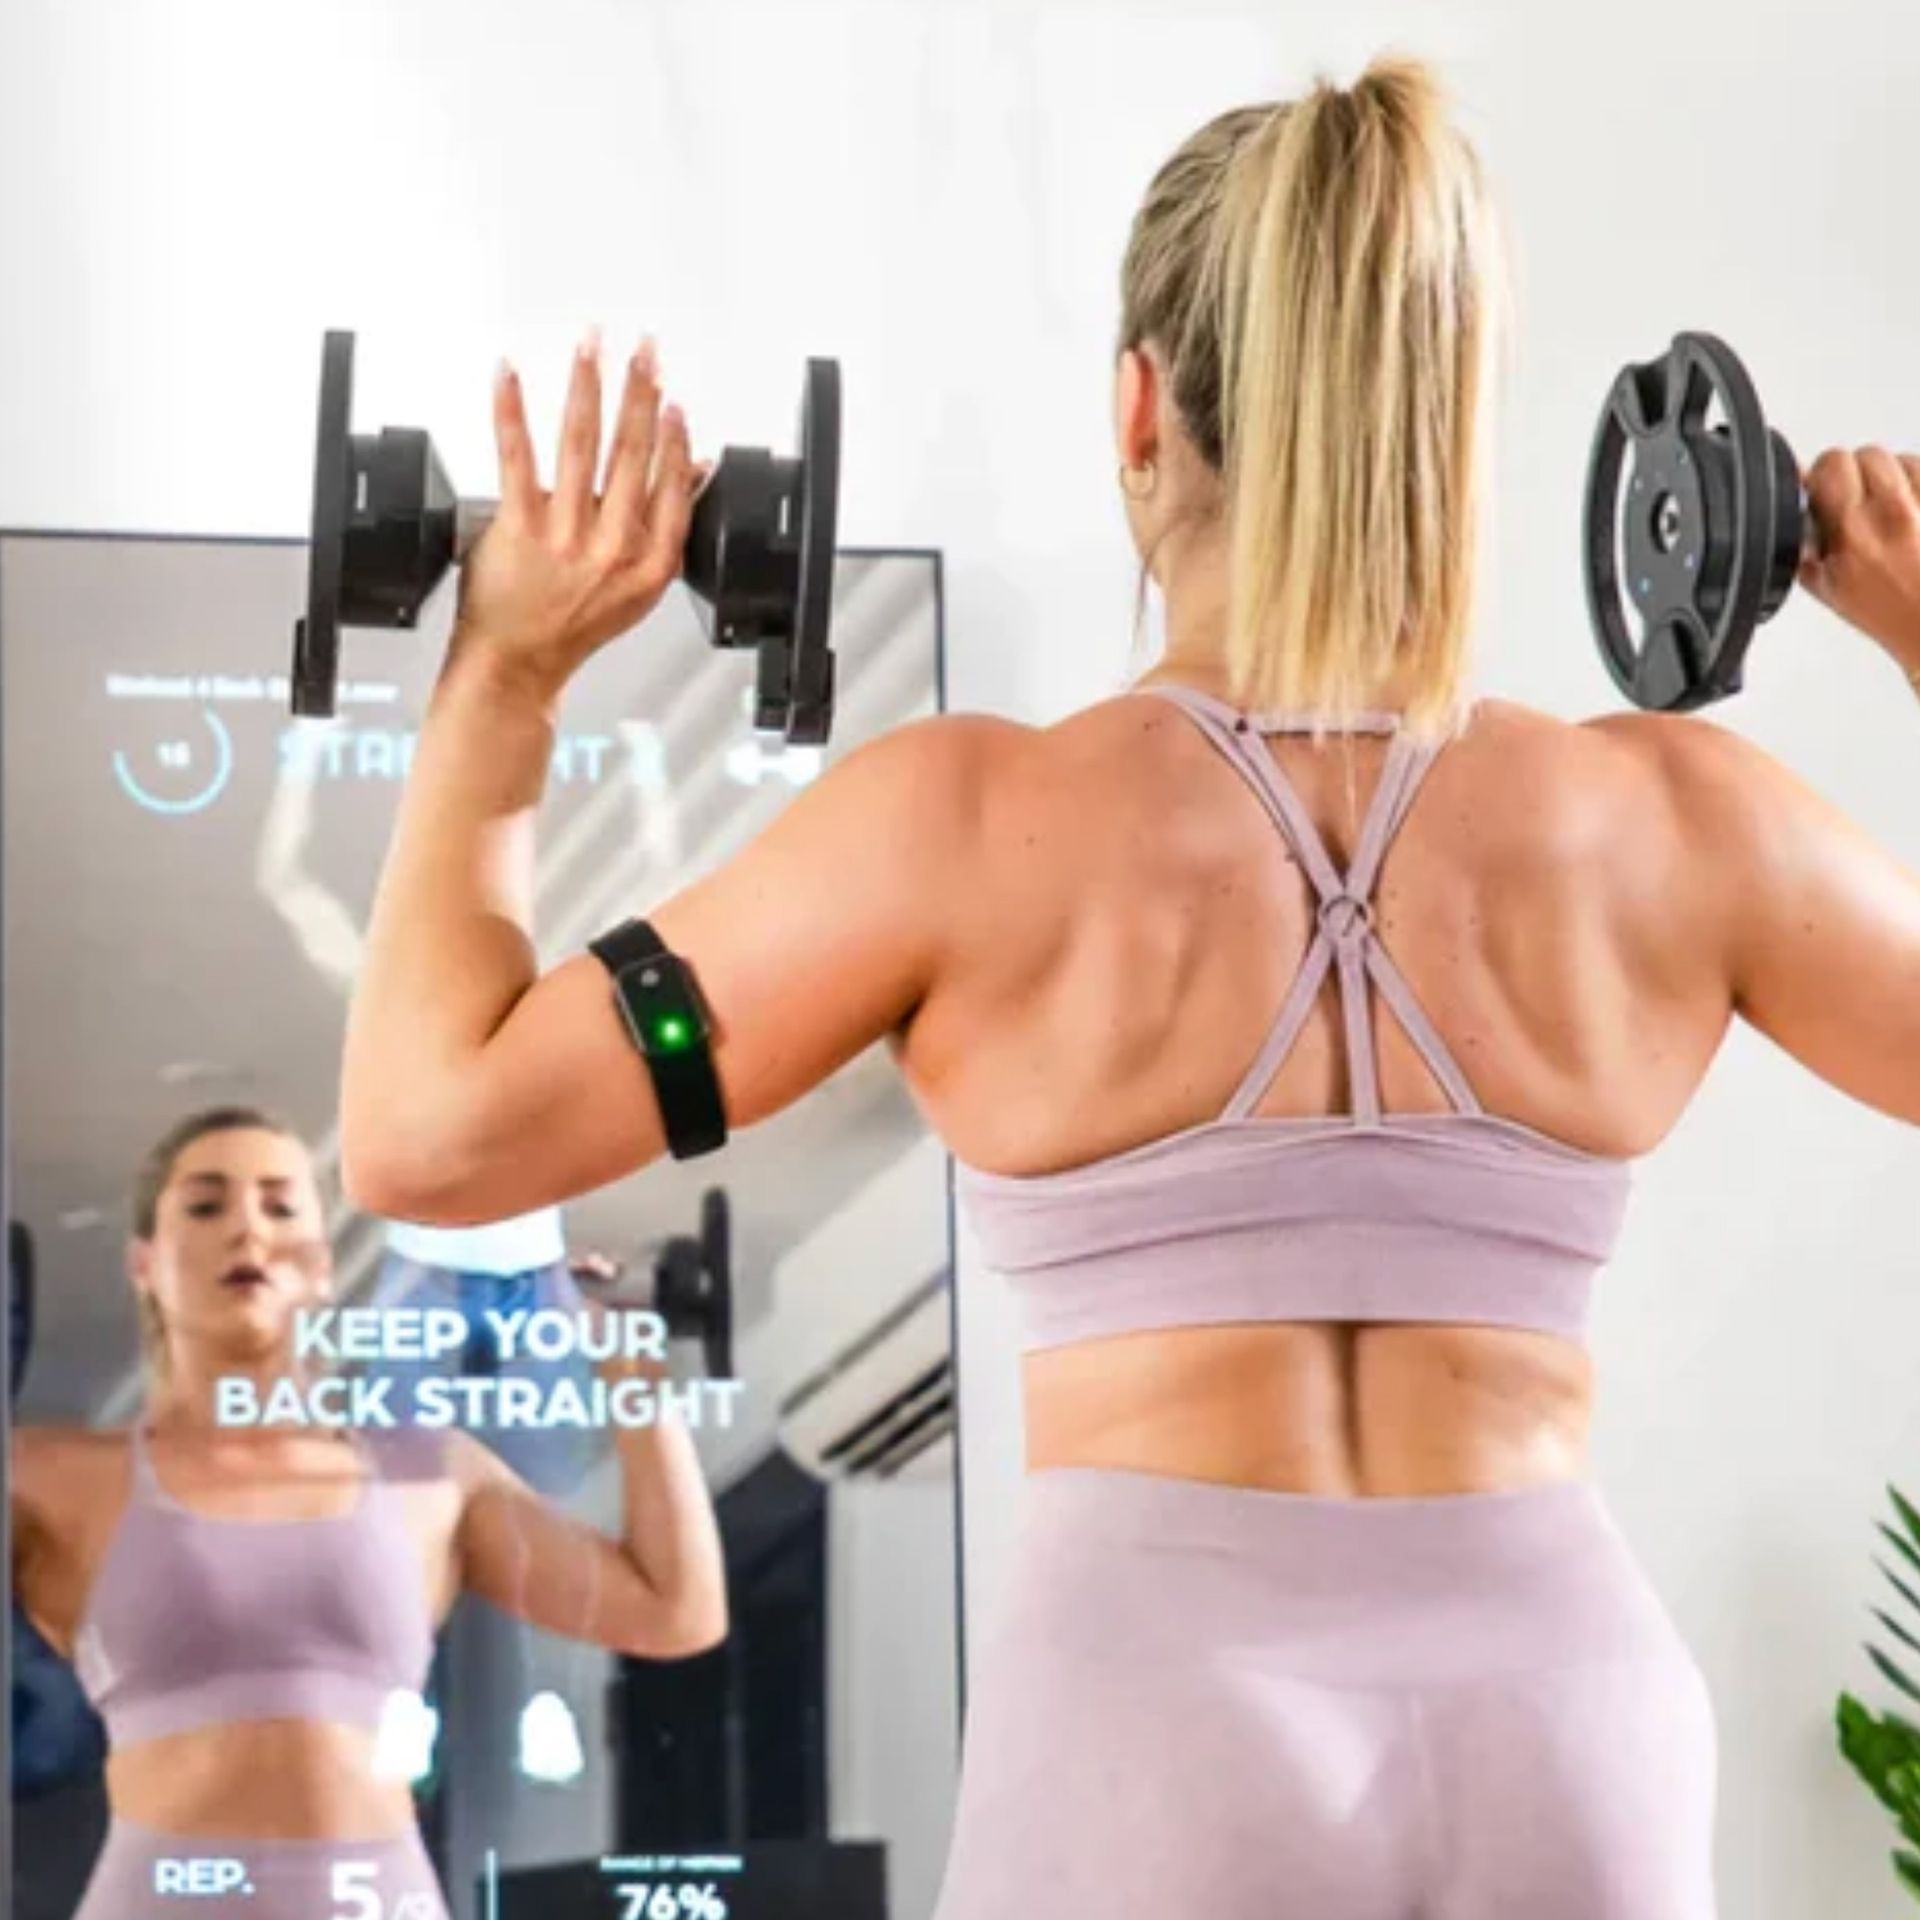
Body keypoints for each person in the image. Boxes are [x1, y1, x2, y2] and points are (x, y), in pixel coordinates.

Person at [331, 56, 1920, 1920]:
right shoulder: (1676, 825)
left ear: (1138, 406)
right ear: (1451, 422)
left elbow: (430, 1132)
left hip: (1160, 1717)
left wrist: (505, 670)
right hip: (1570, 1711)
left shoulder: (963, 825)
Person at [8, 1105, 727, 1919]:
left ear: (320, 1263)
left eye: (280, 1206)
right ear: (145, 1262)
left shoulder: (433, 1473)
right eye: (207, 1206)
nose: (247, 1230)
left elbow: (677, 1612)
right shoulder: (52, 1477)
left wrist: (629, 1364)